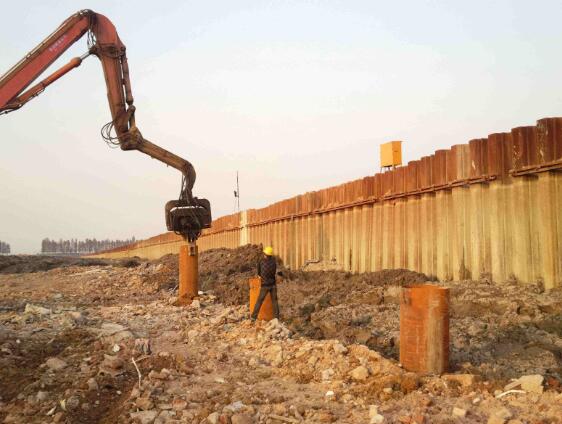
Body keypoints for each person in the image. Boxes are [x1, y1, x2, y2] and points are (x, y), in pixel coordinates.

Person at [251, 246, 280, 320]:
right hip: (273, 284)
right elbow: (274, 273)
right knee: (275, 301)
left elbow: (259, 274)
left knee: (259, 301)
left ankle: (253, 317)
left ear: (265, 254)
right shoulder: (274, 262)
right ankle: (276, 317)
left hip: (264, 285)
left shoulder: (261, 261)